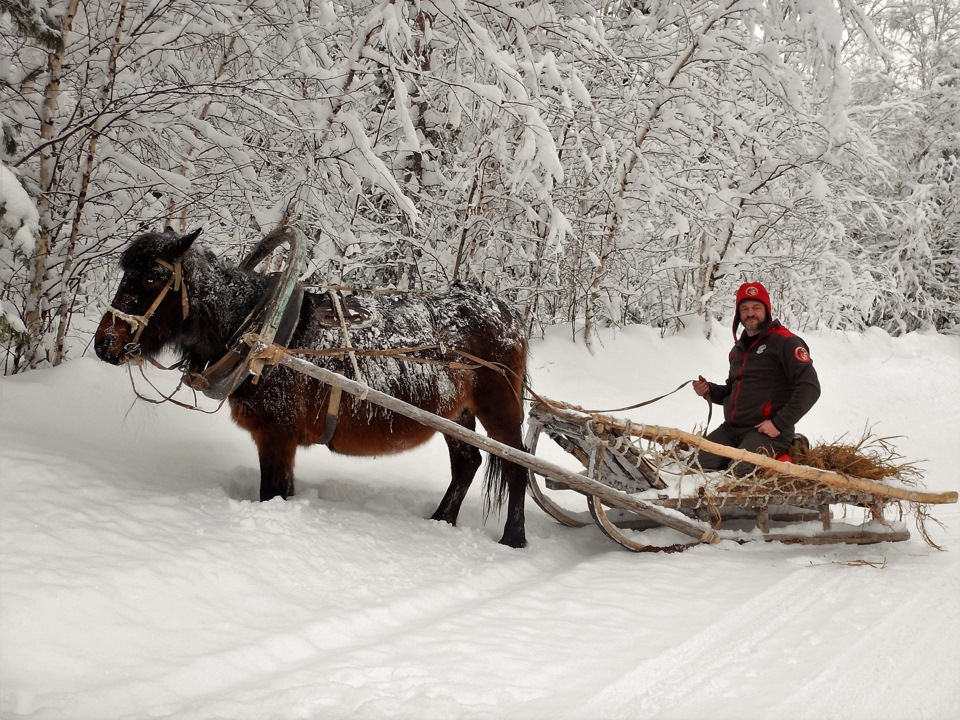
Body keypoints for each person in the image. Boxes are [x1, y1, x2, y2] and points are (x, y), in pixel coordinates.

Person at [691, 282, 820, 476]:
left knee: (738, 474)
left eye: (756, 307)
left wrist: (779, 424)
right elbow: (732, 390)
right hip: (731, 430)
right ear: (739, 314)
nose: (750, 313)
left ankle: (790, 452)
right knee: (694, 467)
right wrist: (709, 390)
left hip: (767, 431)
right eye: (744, 308)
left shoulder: (785, 342)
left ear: (766, 310)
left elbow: (810, 387)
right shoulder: (737, 350)